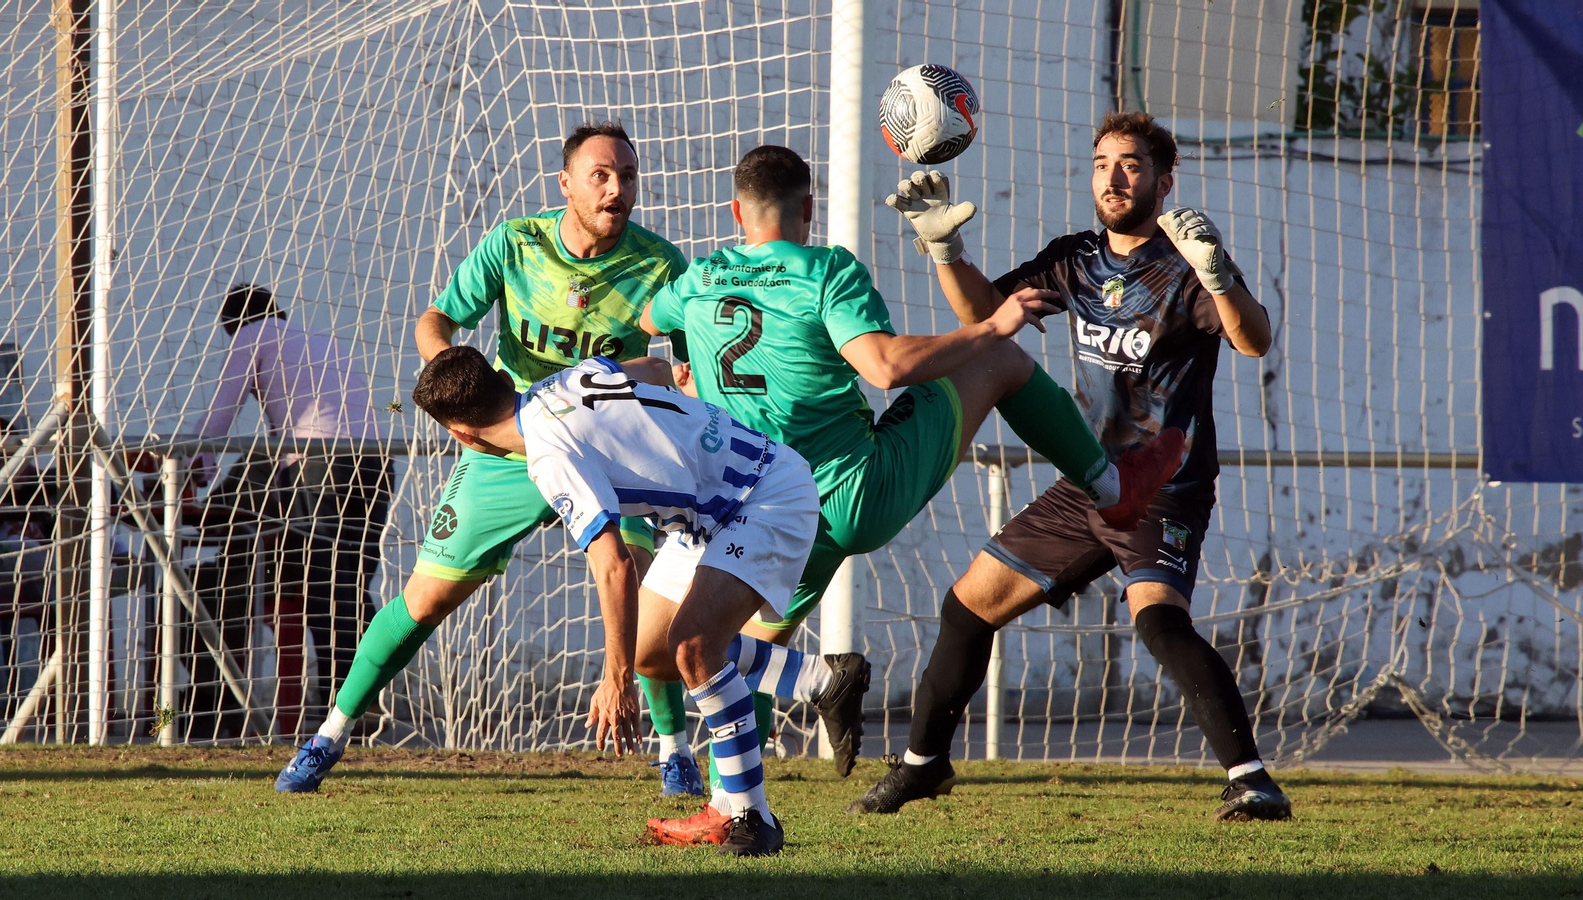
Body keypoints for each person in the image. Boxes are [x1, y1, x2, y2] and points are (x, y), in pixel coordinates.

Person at [635, 145, 1184, 843]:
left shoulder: (702, 276)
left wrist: (686, 362)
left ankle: (747, 793)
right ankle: (1112, 486)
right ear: (809, 210)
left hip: (743, 503)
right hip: (844, 497)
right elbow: (884, 366)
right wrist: (987, 325)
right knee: (1000, 358)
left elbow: (654, 321)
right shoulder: (827, 269)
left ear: (736, 213)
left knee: (691, 651)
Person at [849, 111, 1290, 821]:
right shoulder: (1075, 258)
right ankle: (922, 766)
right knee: (966, 607)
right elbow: (989, 318)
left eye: (1132, 165)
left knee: (1159, 626)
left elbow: (1254, 340)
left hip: (1161, 489)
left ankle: (1252, 780)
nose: (1114, 177)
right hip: (1089, 479)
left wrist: (1220, 274)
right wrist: (944, 248)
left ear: (1164, 180)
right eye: (1101, 163)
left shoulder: (1184, 267)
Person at [276, 122, 688, 791]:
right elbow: (434, 322)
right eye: (602, 175)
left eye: (628, 177)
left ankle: (673, 751)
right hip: (511, 446)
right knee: (426, 598)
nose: (618, 190)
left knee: (637, 590)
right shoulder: (517, 243)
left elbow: (684, 368)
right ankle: (329, 735)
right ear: (567, 185)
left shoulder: (660, 266)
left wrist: (645, 377)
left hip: (611, 450)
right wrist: (454, 388)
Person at [413, 347, 869, 856]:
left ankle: (750, 816)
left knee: (694, 647)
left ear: (462, 434)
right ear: (502, 380)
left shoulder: (547, 452)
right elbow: (653, 370)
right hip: (701, 514)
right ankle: (826, 681)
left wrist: (615, 681)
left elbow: (614, 564)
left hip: (762, 494)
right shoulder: (567, 379)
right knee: (651, 651)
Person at [193, 283, 393, 737]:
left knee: (321, 592)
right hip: (377, 463)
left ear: (232, 325)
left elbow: (220, 416)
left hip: (324, 466)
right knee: (350, 590)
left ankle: (213, 710)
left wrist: (192, 472)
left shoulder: (252, 336)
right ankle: (355, 716)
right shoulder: (320, 341)